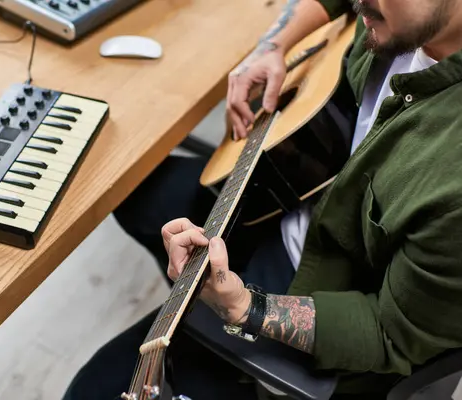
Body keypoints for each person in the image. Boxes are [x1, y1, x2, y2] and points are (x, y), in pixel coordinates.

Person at [63, 0, 462, 398]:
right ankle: (192, 302)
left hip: (318, 283)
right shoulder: (401, 14)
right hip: (300, 187)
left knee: (91, 389)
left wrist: (243, 307)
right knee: (136, 193)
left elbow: (388, 334)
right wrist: (273, 46)